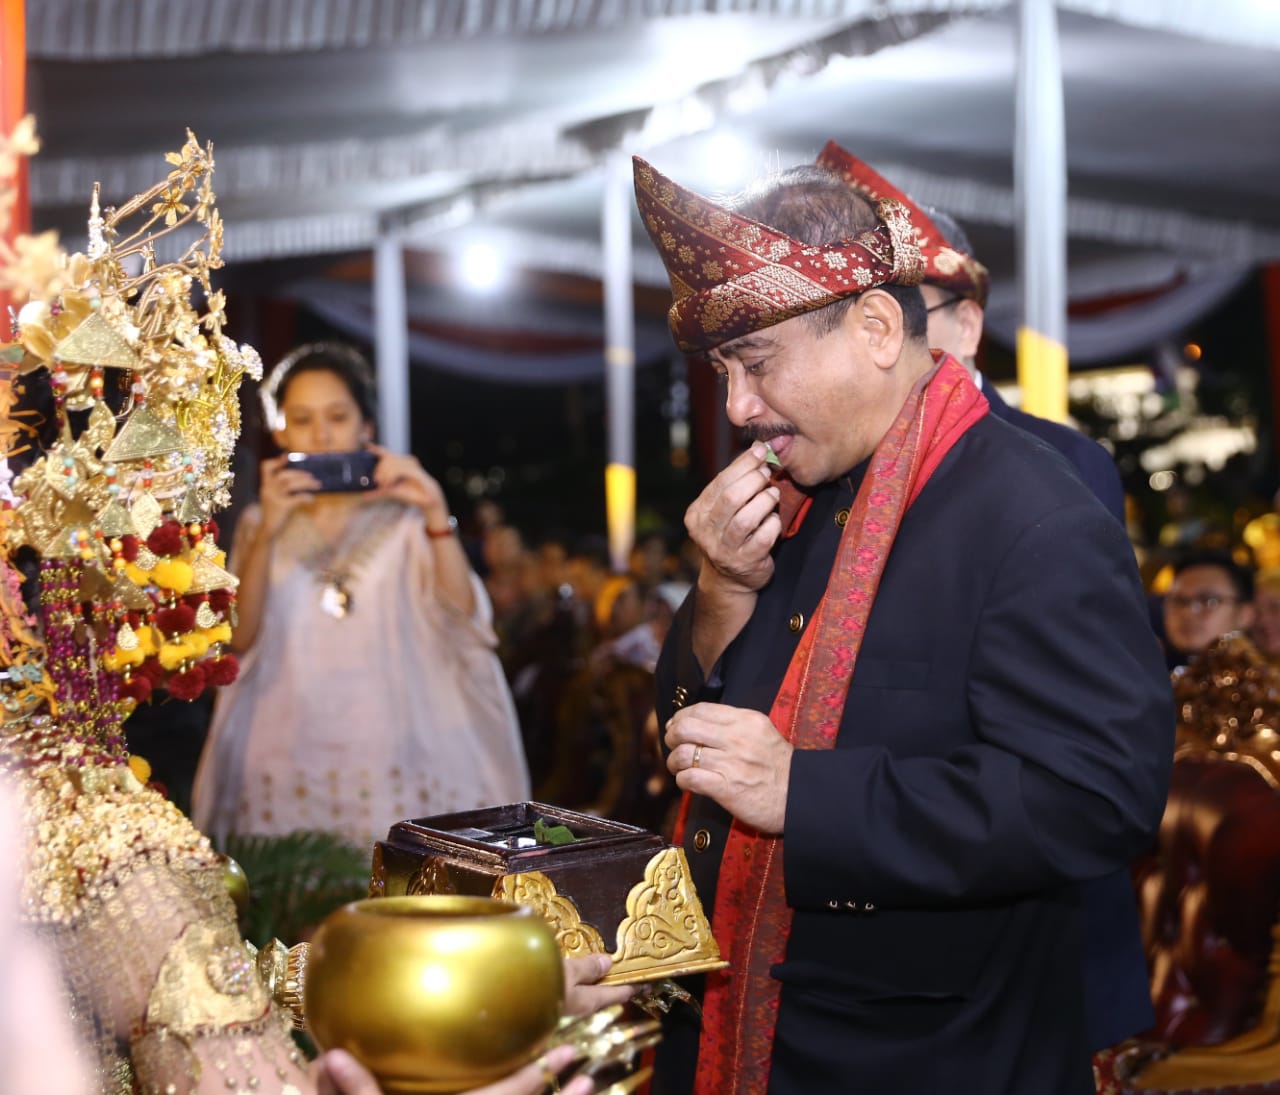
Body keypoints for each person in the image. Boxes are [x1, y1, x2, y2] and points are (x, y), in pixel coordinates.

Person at [634, 151, 1172, 1093]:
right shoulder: (799, 486)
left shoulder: (1031, 513)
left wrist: (809, 793)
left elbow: (1098, 798)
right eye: (724, 371)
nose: (738, 407)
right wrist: (720, 588)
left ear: (878, 328)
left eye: (756, 365)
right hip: (750, 1025)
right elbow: (683, 728)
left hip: (922, 1054)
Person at [813, 143, 1153, 1062]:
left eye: (897, 313)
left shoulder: (1045, 466)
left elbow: (1074, 762)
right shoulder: (846, 465)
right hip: (889, 891)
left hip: (1026, 902)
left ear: (961, 324)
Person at [193, 343, 530, 847]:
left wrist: (436, 513)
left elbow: (466, 620)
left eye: (338, 416)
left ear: (366, 427)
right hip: (285, 742)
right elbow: (239, 640)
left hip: (395, 741)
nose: (322, 435)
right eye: (301, 419)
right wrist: (267, 532)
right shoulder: (261, 521)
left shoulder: (405, 515)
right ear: (279, 431)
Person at [1162, 548, 1255, 669]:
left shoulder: (1262, 683)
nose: (1188, 612)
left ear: (1245, 614)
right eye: (1179, 601)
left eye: (1209, 601)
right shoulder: (1152, 677)